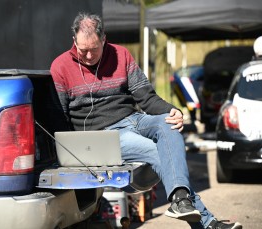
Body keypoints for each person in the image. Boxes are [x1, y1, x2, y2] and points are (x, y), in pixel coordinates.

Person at [50, 12, 243, 229]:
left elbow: (146, 97)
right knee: (158, 152)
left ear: (104, 39)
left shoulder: (121, 55)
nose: (86, 56)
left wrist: (173, 111)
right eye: (82, 49)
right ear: (74, 41)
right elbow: (59, 116)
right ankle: (206, 223)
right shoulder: (60, 67)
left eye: (93, 49)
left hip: (134, 119)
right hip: (106, 134)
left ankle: (181, 200)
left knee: (168, 124)